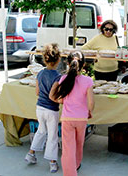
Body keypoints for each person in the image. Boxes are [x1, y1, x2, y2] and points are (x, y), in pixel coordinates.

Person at [49, 51, 94, 176]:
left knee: (68, 148)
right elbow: (91, 103)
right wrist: (89, 111)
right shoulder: (88, 81)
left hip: (67, 118)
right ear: (83, 65)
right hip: (82, 118)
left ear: (68, 63)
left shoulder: (63, 79)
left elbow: (56, 98)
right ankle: (77, 164)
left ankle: (70, 173)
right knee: (79, 144)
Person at [25, 43, 61, 173]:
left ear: (45, 59)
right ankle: (52, 162)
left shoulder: (40, 74)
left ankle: (31, 154)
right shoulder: (58, 76)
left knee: (41, 131)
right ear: (58, 59)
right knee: (52, 135)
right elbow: (54, 95)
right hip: (52, 109)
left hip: (40, 107)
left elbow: (37, 92)